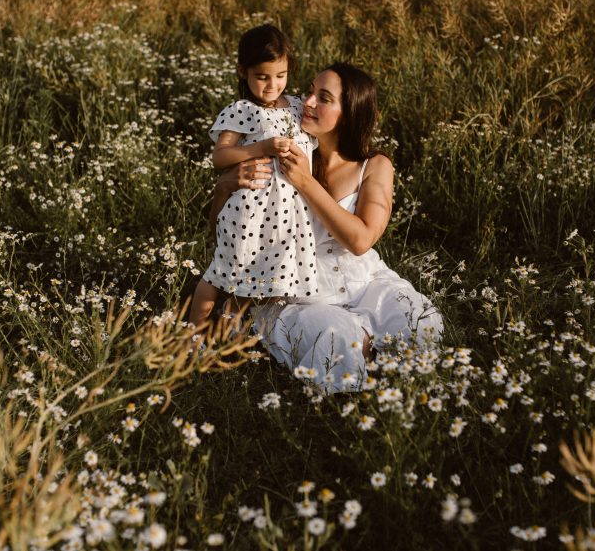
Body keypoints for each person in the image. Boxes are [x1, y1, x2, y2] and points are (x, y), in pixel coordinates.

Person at [213, 62, 443, 392]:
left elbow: (361, 240)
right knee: (337, 341)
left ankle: (385, 360)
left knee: (421, 325)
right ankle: (361, 374)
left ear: (348, 113)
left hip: (364, 281)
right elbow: (225, 233)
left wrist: (306, 183)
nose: (306, 102)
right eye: (309, 91)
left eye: (323, 97)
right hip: (300, 291)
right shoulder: (285, 152)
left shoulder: (374, 165)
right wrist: (225, 188)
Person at [188, 24, 318, 325]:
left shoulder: (298, 106)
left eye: (280, 76)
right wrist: (261, 147)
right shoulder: (242, 109)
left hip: (289, 215)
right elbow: (220, 156)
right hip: (248, 211)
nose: (272, 85)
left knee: (276, 278)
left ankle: (240, 337)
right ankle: (191, 334)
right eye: (262, 77)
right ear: (242, 71)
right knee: (224, 273)